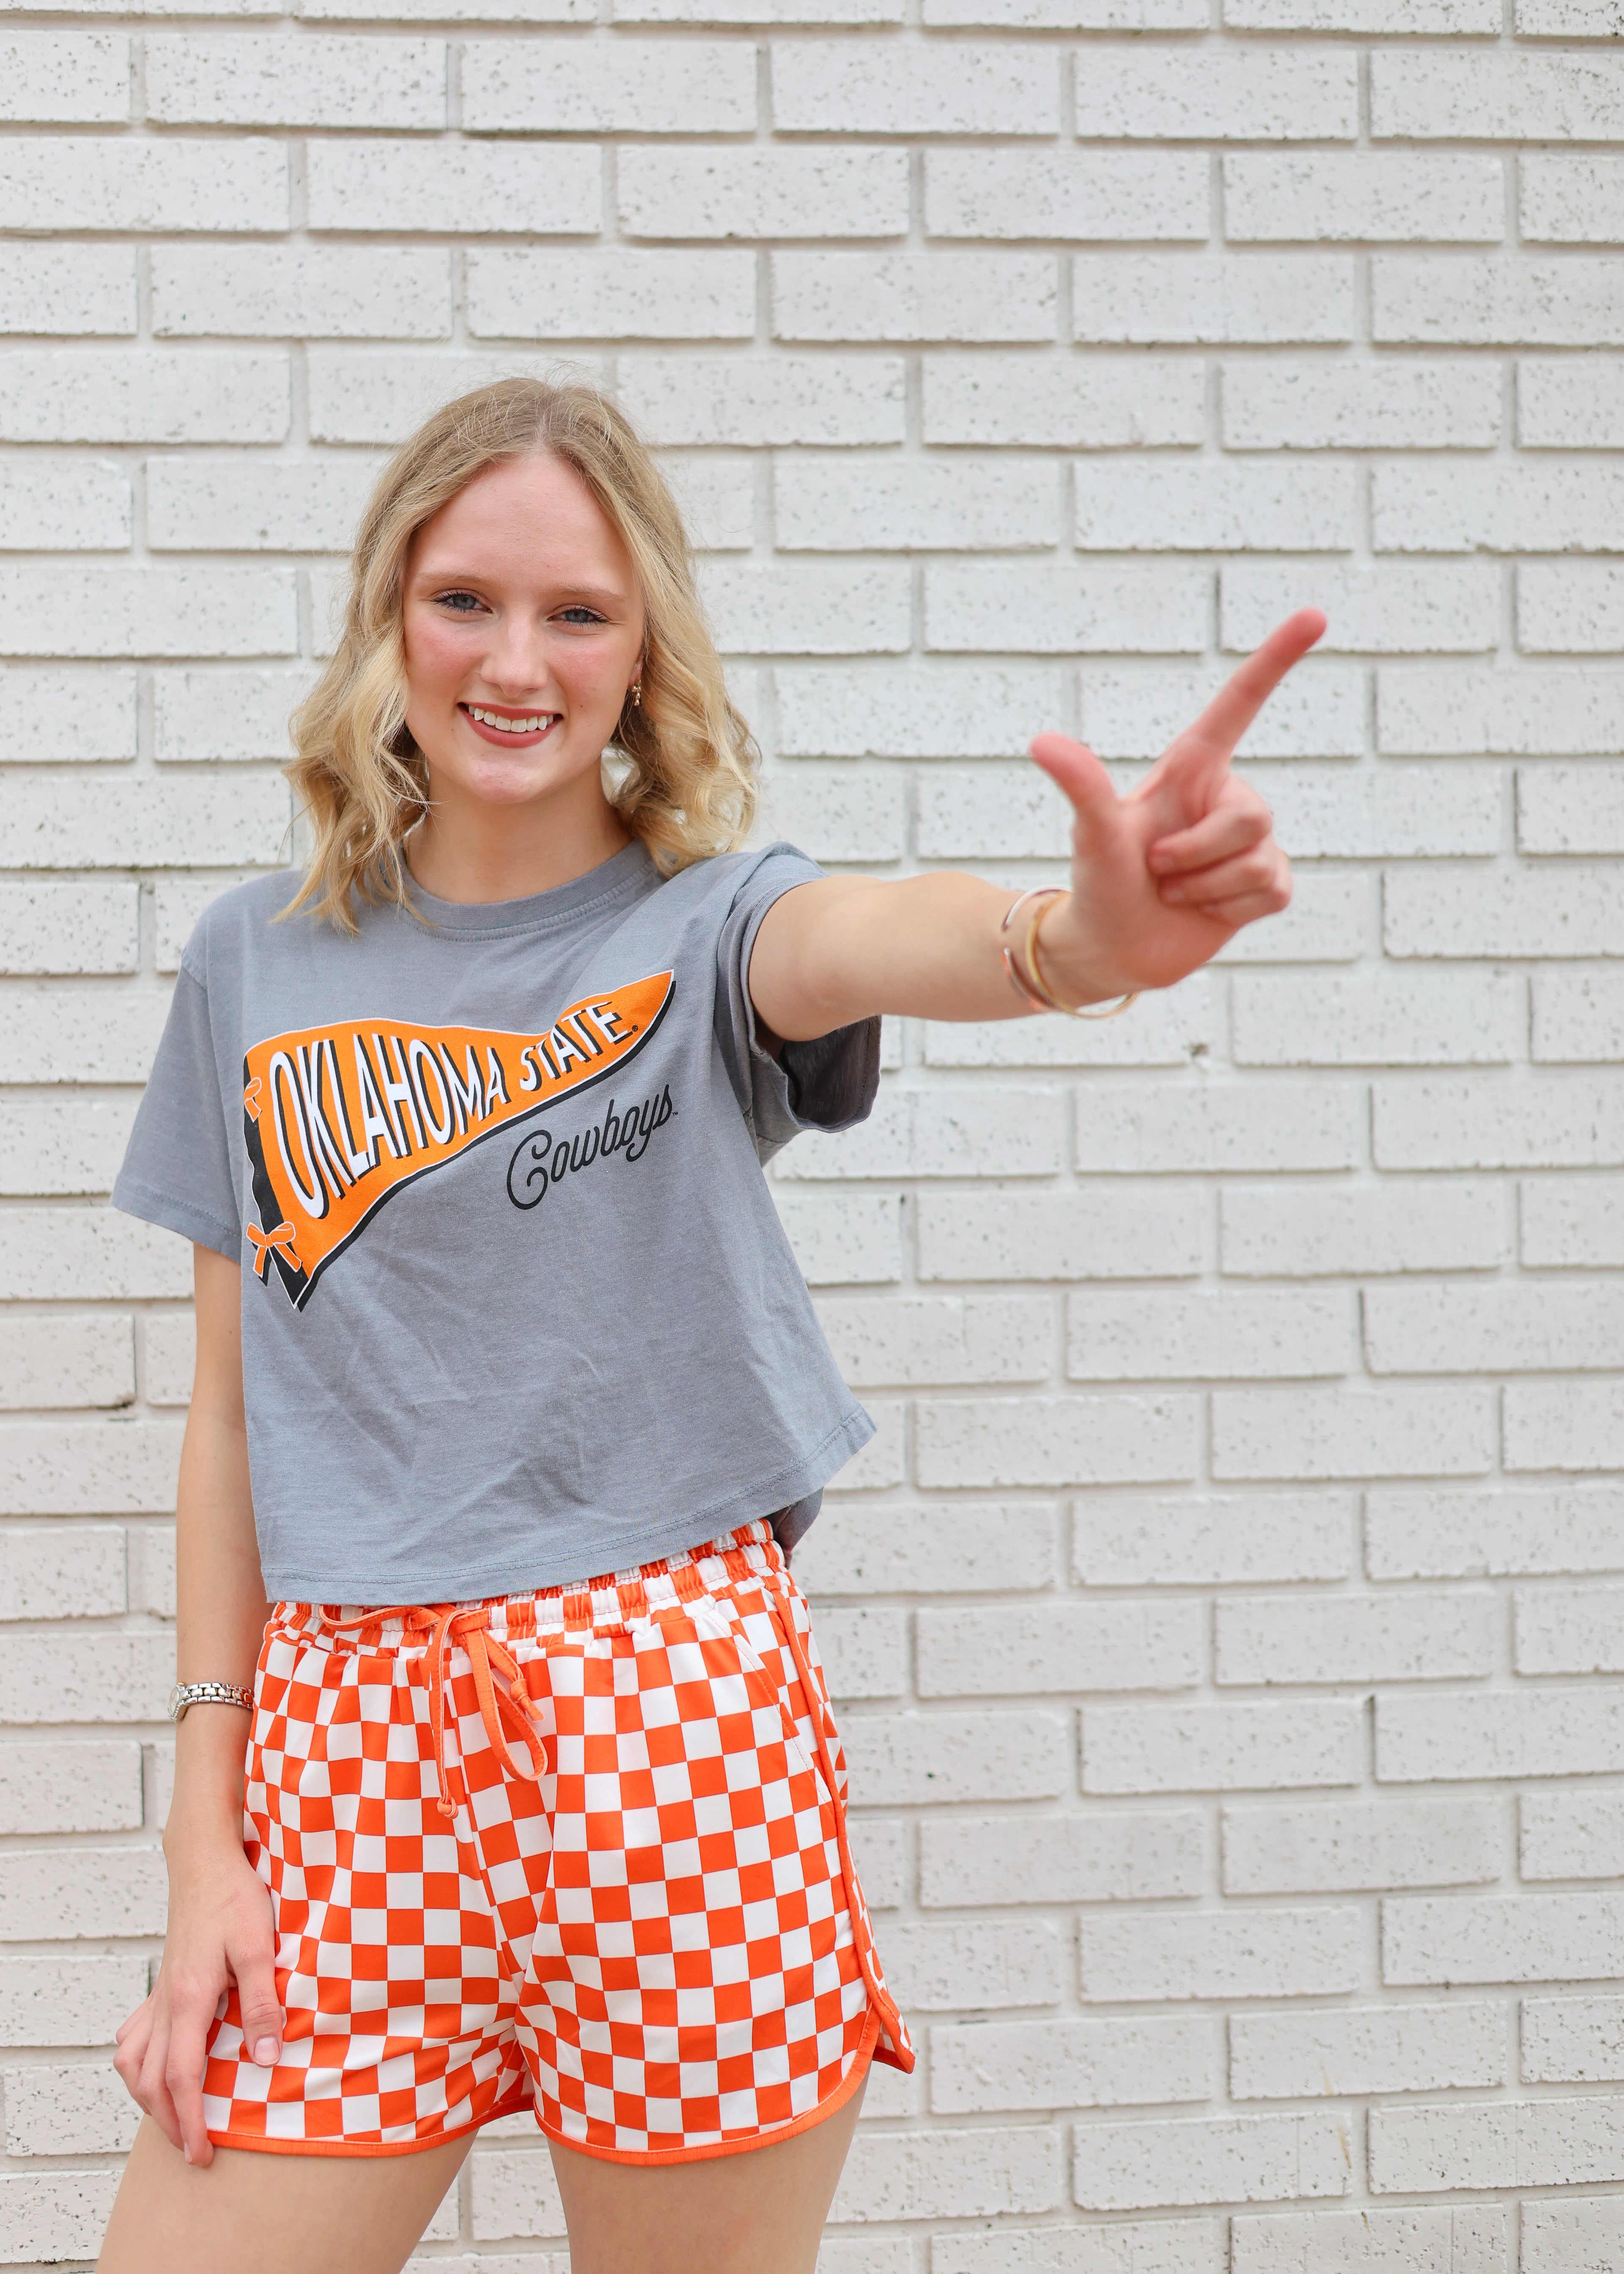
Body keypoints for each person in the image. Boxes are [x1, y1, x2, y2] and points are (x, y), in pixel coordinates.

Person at [96, 377, 1321, 2274]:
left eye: (578, 613)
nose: (518, 662)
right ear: (387, 620)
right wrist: (203, 1838)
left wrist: (1080, 941)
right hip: (341, 1758)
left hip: (664, 1721)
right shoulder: (253, 961)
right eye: (465, 602)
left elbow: (891, 934)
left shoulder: (709, 926)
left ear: (643, 646)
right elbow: (228, 1418)